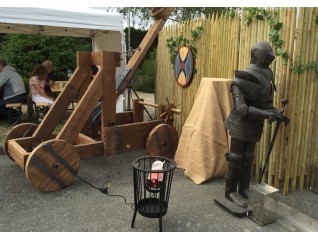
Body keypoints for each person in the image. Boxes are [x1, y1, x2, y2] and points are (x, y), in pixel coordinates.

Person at [223, 41, 289, 208]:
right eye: (266, 56)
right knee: (236, 158)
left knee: (248, 158)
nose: (269, 60)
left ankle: (244, 188)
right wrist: (266, 114)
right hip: (240, 123)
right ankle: (230, 191)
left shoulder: (268, 75)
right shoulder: (240, 79)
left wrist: (275, 113)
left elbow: (266, 103)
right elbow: (241, 109)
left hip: (255, 124)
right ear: (257, 55)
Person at [0, 58, 27, 124]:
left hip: (15, 96)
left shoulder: (5, 72)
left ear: (0, 65)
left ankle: (15, 114)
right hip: (20, 95)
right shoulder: (11, 71)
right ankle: (9, 116)